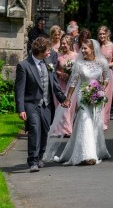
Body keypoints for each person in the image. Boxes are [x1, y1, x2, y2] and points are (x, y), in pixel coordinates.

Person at [44, 39, 111, 166]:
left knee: (94, 123)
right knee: (84, 121)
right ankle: (88, 155)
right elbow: (74, 82)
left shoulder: (102, 63)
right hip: (83, 95)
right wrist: (68, 98)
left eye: (85, 48)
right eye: (82, 48)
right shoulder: (79, 64)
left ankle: (96, 150)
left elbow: (106, 77)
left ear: (92, 49)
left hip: (96, 95)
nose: (83, 51)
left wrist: (101, 88)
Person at [15, 36, 67, 172]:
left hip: (47, 104)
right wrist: (21, 109)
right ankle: (32, 160)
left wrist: (63, 99)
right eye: (47, 50)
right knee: (34, 130)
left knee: (44, 130)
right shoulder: (24, 66)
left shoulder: (48, 62)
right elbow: (19, 90)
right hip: (31, 104)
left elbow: (54, 83)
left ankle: (39, 157)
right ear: (40, 51)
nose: (50, 53)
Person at [51, 35, 78, 136]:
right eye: (62, 43)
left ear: (70, 43)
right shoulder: (58, 55)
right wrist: (60, 73)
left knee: (69, 108)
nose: (63, 45)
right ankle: (61, 130)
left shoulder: (76, 56)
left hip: (71, 85)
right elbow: (53, 69)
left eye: (65, 43)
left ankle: (67, 129)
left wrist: (71, 74)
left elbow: (78, 70)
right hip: (60, 83)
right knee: (60, 106)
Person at [97, 25, 113, 130]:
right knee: (96, 96)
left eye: (103, 34)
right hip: (96, 74)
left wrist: (107, 65)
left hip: (108, 73)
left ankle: (104, 121)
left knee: (106, 97)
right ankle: (96, 120)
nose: (102, 36)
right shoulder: (96, 46)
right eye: (100, 34)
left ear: (107, 34)